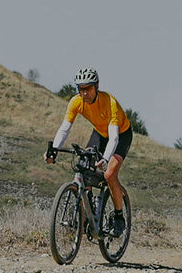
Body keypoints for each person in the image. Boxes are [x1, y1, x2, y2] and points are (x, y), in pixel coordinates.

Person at [45, 68, 133, 236]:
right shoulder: (76, 102)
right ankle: (89, 210)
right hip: (100, 134)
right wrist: (54, 150)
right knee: (84, 165)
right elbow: (65, 128)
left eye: (88, 88)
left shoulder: (110, 102)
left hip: (121, 135)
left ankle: (119, 216)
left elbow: (114, 138)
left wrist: (106, 159)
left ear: (96, 86)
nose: (84, 93)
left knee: (109, 175)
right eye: (81, 89)